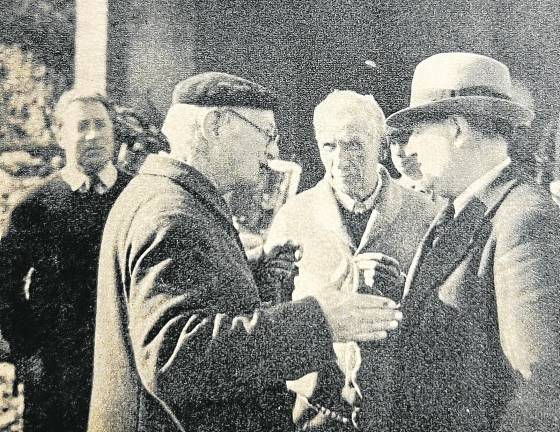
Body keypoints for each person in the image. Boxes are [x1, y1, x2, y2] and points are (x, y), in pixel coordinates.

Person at [88, 72, 402, 432]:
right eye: (266, 134)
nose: (272, 152)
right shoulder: (173, 215)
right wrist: (319, 320)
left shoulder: (162, 196)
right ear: (215, 124)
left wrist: (250, 273)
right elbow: (174, 358)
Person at [386, 52, 560, 432]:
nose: (409, 148)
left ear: (457, 129)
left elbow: (540, 390)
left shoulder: (524, 221)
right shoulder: (460, 212)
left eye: (417, 130)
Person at [265, 90, 437, 430]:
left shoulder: (427, 216)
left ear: (382, 143)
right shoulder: (293, 216)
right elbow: (272, 315)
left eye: (354, 144)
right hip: (318, 412)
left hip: (403, 410)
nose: (341, 159)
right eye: (330, 146)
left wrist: (404, 291)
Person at [0, 88, 132, 431]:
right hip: (57, 368)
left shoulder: (137, 197)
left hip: (127, 360)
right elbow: (4, 285)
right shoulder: (36, 206)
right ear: (60, 133)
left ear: (113, 131)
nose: (93, 136)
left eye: (101, 125)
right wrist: (28, 350)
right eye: (81, 126)